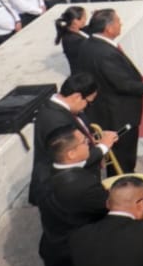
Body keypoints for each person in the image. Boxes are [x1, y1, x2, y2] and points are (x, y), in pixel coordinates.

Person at [37, 127, 110, 266]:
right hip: (76, 253)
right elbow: (114, 206)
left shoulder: (45, 173)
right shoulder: (83, 186)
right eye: (85, 142)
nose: (90, 144)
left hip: (53, 246)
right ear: (71, 154)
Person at [77, 9, 143, 173]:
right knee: (123, 160)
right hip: (118, 115)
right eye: (117, 21)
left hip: (106, 112)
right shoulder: (105, 53)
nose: (120, 24)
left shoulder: (88, 44)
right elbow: (122, 83)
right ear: (108, 28)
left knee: (117, 160)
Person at [31, 71, 113, 204]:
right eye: (89, 102)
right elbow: (70, 158)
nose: (87, 107)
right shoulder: (56, 121)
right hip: (66, 189)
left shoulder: (61, 108)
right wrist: (102, 148)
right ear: (76, 96)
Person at [53, 5, 89, 72]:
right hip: (82, 74)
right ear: (75, 21)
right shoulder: (74, 40)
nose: (86, 19)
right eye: (84, 17)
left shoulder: (74, 30)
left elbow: (92, 28)